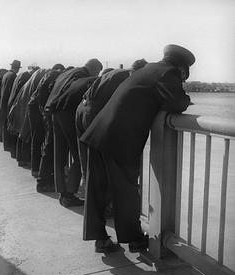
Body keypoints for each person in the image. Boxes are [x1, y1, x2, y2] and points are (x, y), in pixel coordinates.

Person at [80, 45, 195, 253]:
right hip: (120, 139)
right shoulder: (167, 73)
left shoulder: (148, 69)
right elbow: (176, 102)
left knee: (97, 190)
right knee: (127, 191)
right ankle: (134, 239)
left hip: (98, 132)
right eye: (185, 74)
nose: (184, 78)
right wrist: (186, 99)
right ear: (182, 68)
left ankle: (100, 239)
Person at [75, 59, 147, 180]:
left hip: (82, 109)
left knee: (86, 155)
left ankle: (86, 185)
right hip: (93, 113)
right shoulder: (128, 77)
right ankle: (101, 191)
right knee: (100, 158)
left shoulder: (115, 73)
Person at [45, 58, 103, 207]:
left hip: (54, 112)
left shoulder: (68, 72)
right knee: (78, 154)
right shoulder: (84, 77)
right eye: (98, 71)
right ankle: (70, 194)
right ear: (94, 69)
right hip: (67, 113)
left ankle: (62, 192)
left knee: (60, 153)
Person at [25, 63, 65, 187]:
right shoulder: (54, 75)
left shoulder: (47, 74)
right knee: (45, 141)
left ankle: (36, 169)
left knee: (37, 139)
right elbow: (45, 96)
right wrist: (45, 112)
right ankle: (42, 174)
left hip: (35, 107)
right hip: (38, 109)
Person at [0, 60, 21, 152]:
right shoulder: (13, 76)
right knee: (10, 125)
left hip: (3, 103)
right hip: (8, 103)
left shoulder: (6, 75)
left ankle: (6, 145)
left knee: (5, 124)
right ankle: (11, 147)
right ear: (17, 68)